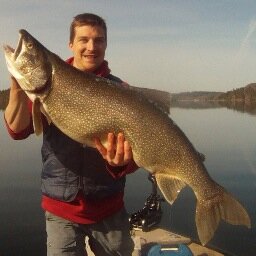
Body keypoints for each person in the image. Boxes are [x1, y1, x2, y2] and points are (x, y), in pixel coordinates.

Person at [4, 13, 138, 256]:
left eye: (98, 40)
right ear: (71, 44)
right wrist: (17, 87)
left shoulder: (123, 92)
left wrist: (121, 165)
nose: (91, 47)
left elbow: (136, 158)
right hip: (61, 211)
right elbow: (17, 130)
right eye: (84, 40)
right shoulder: (50, 82)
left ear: (106, 45)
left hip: (109, 210)